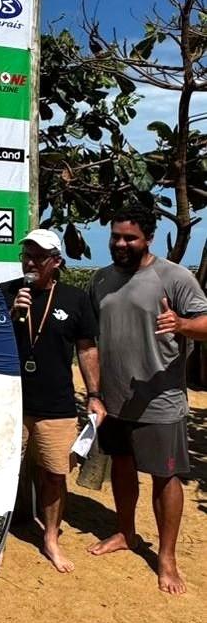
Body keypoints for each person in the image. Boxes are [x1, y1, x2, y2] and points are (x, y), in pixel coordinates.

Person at [87, 207, 207, 594]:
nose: (121, 244)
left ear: (149, 238)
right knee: (121, 466)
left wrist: (183, 324)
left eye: (130, 238)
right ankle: (126, 533)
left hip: (160, 402)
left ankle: (167, 557)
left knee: (165, 476)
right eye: (116, 237)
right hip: (115, 400)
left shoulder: (174, 276)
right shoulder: (101, 280)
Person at [0, 230, 100, 574]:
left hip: (57, 405)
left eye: (39, 256)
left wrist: (95, 395)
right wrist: (9, 314)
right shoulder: (6, 293)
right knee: (3, 474)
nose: (30, 262)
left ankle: (51, 537)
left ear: (56, 261)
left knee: (54, 475)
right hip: (10, 404)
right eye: (27, 254)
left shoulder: (75, 298)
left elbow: (87, 350)